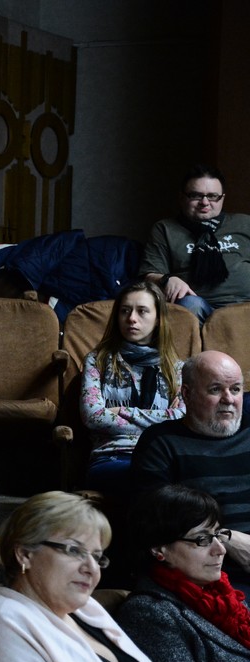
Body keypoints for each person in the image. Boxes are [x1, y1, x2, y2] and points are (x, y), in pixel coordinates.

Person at [0, 491, 167, 662]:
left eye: (97, 556)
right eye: (74, 550)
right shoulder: (2, 623)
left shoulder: (88, 611)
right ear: (25, 554)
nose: (92, 568)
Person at [131, 350, 250, 590]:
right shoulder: (161, 442)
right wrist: (227, 538)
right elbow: (156, 524)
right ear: (187, 394)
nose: (228, 399)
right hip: (213, 578)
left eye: (236, 389)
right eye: (216, 389)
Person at [115, 485, 250, 662]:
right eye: (202, 539)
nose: (221, 549)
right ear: (159, 549)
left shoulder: (224, 596)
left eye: (217, 535)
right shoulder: (149, 614)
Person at [79, 280, 184, 495]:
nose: (131, 318)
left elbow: (183, 418)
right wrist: (163, 418)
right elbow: (93, 416)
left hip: (163, 456)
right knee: (152, 481)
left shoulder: (176, 368)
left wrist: (121, 412)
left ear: (158, 319)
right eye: (125, 311)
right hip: (113, 456)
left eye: (142, 311)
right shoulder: (97, 360)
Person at [140, 164, 250, 323]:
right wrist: (167, 279)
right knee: (190, 305)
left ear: (222, 198)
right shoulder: (165, 229)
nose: (204, 202)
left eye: (213, 196)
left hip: (245, 305)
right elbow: (149, 275)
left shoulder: (244, 223)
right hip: (198, 306)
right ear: (182, 197)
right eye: (196, 196)